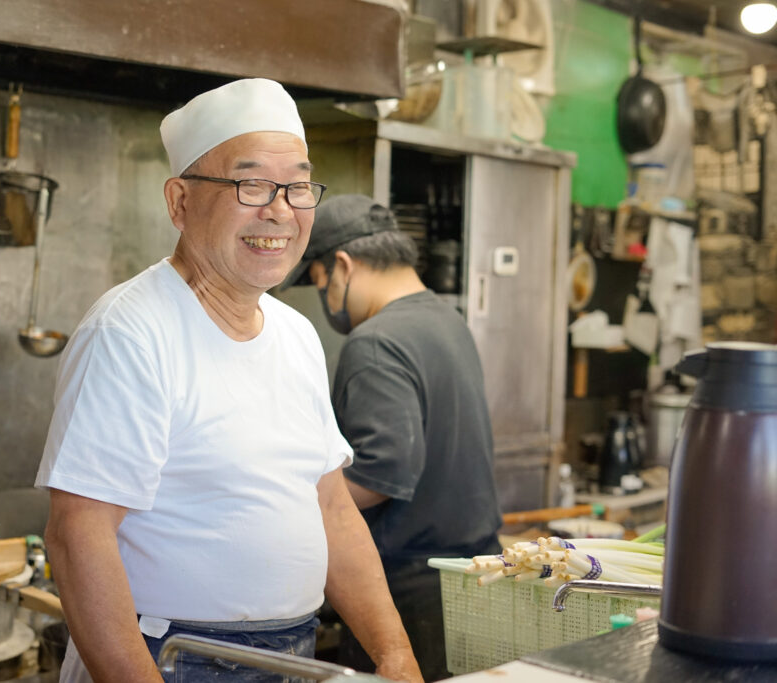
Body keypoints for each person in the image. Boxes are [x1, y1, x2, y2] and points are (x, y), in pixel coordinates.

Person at [35, 80, 423, 683]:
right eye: (251, 184)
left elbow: (330, 507)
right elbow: (77, 535)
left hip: (292, 656)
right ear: (179, 201)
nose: (279, 210)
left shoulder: (296, 335)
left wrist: (395, 656)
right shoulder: (131, 331)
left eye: (298, 185)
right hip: (166, 656)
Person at [282, 194, 503, 680]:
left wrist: (289, 506)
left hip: (409, 589)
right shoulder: (446, 320)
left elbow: (382, 473)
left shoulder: (376, 341)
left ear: (342, 265)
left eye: (320, 284)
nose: (326, 302)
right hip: (470, 577)